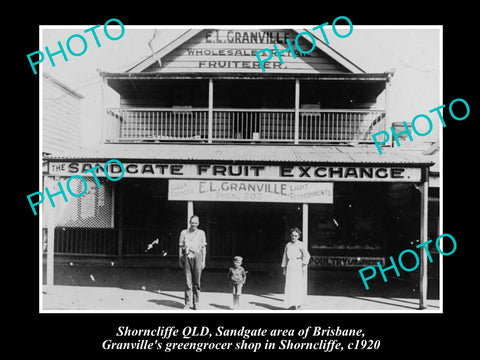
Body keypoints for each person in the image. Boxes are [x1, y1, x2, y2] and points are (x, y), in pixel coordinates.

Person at [178, 215, 207, 310]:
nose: (194, 225)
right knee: (188, 281)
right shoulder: (183, 232)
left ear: (198, 223)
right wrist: (180, 257)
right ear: (190, 223)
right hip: (187, 257)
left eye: (196, 223)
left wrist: (203, 261)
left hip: (198, 257)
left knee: (197, 282)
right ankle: (187, 302)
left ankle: (196, 302)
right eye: (192, 223)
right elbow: (180, 247)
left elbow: (204, 248)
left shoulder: (201, 233)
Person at [281, 227, 310, 310]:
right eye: (292, 235)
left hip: (298, 265)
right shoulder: (288, 245)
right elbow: (285, 257)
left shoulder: (301, 244)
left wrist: (303, 264)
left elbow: (307, 255)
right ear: (290, 235)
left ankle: (298, 303)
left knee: (297, 285)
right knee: (290, 285)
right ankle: (291, 304)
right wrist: (284, 268)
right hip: (290, 265)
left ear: (298, 236)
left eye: (296, 236)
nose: (294, 237)